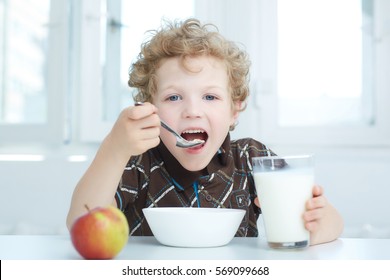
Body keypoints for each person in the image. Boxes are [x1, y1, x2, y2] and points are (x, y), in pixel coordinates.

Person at [67, 18, 343, 245]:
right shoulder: (136, 161)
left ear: (234, 110)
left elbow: (333, 224)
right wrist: (115, 148)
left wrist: (316, 222)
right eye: (174, 98)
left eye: (210, 97)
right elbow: (79, 222)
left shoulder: (251, 157)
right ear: (150, 109)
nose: (192, 111)